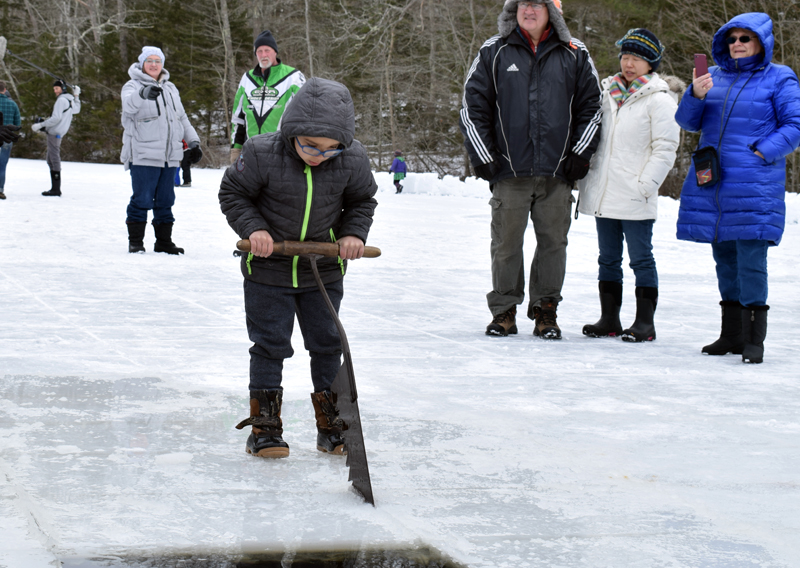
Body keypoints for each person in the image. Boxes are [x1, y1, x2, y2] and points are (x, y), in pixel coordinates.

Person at [219, 77, 378, 459]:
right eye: (309, 145)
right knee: (270, 346)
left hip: (323, 272)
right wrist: (254, 229)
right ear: (292, 132)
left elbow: (362, 201)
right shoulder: (261, 152)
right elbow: (233, 193)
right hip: (268, 271)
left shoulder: (352, 158)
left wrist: (352, 234)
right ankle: (265, 428)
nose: (319, 155)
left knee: (327, 345)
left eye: (330, 149)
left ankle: (331, 425)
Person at [459, 0, 602, 339]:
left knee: (553, 244)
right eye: (523, 3)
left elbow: (593, 108)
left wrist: (579, 154)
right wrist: (484, 155)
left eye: (538, 4)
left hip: (558, 171)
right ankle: (504, 310)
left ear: (552, 10)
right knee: (506, 244)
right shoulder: (494, 50)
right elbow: (471, 106)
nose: (529, 10)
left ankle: (545, 310)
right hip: (509, 170)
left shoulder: (575, 53)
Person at [675, 12, 800, 364]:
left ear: (761, 42)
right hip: (714, 182)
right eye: (731, 39)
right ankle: (731, 334)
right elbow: (687, 122)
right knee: (725, 259)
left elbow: (795, 125)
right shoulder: (712, 76)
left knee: (750, 259)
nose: (737, 44)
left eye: (745, 38)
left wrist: (761, 152)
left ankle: (753, 340)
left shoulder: (780, 77)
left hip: (754, 183)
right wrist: (695, 95)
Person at [578, 29, 681, 342]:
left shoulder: (660, 100)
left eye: (637, 58)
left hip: (636, 193)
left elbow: (666, 148)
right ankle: (609, 319)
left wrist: (646, 185)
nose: (629, 63)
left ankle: (644, 323)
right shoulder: (607, 93)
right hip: (605, 191)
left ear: (651, 63)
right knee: (607, 259)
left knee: (641, 259)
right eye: (625, 56)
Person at [121, 46, 202, 255]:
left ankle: (163, 242)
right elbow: (128, 107)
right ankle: (136, 242)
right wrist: (142, 94)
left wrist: (193, 142)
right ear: (142, 64)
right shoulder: (132, 85)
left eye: (158, 61)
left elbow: (182, 118)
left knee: (166, 201)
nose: (154, 64)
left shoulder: (170, 88)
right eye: (149, 60)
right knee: (142, 199)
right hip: (144, 155)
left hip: (170, 156)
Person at [229, 30, 306, 164]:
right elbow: (238, 119)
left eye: (267, 50)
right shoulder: (247, 78)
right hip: (251, 153)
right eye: (259, 51)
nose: (263, 55)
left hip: (282, 153)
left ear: (275, 52)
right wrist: (236, 149)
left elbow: (305, 115)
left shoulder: (293, 77)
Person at [31, 79, 80, 197]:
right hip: (58, 132)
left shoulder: (61, 100)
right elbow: (77, 110)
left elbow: (56, 118)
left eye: (57, 88)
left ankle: (56, 189)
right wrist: (76, 95)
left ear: (63, 88)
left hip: (55, 132)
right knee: (50, 159)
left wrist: (40, 125)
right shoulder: (69, 99)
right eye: (54, 89)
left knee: (54, 159)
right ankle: (54, 188)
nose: (55, 91)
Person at [0, 81, 21, 200]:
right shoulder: (13, 104)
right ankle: (0, 190)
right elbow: (17, 124)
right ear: (5, 90)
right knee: (2, 165)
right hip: (6, 137)